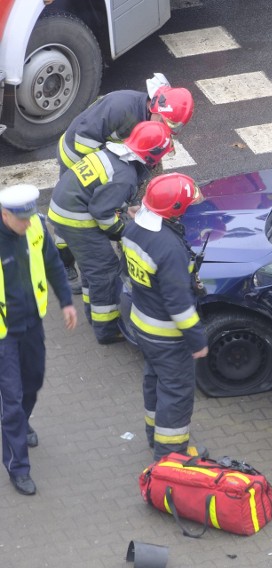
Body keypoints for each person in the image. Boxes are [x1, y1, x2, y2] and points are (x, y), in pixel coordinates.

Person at [55, 73, 194, 294]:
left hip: (103, 157)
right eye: (165, 124)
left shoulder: (149, 115)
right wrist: (106, 177)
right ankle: (64, 263)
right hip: (77, 156)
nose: (166, 131)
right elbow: (83, 141)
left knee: (98, 209)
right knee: (77, 217)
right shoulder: (122, 108)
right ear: (156, 108)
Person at [47, 121, 173, 345]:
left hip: (67, 208)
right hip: (76, 218)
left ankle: (92, 314)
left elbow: (101, 193)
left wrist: (124, 209)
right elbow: (102, 213)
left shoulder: (113, 154)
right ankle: (107, 330)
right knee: (105, 271)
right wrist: (126, 232)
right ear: (151, 156)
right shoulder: (124, 176)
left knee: (92, 267)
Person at [121, 173, 208, 460]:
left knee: (154, 381)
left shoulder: (133, 230)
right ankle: (170, 455)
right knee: (177, 392)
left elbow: (130, 272)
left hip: (142, 322)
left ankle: (153, 435)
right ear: (175, 209)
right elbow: (179, 306)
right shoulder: (169, 249)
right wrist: (198, 341)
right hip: (167, 336)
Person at [0, 184, 78, 496]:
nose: (28, 224)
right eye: (22, 220)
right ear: (5, 215)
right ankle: (18, 467)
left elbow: (53, 264)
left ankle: (22, 422)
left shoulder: (35, 228)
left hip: (32, 325)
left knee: (34, 381)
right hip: (3, 334)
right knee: (12, 401)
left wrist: (67, 302)